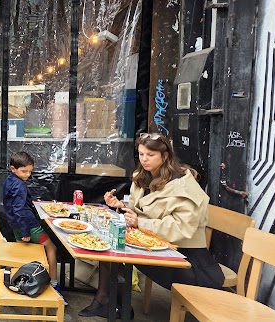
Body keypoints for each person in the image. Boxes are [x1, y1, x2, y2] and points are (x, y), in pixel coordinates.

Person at [79, 132, 224, 318]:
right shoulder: (143, 177)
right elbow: (141, 208)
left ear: (165, 156)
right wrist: (121, 205)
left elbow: (180, 228)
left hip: (184, 257)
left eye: (150, 155)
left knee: (114, 250)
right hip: (153, 244)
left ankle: (113, 304)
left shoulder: (184, 185)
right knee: (109, 245)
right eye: (141, 154)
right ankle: (111, 303)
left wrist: (140, 222)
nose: (144, 159)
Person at [2, 151, 66, 305]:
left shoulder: (9, 180)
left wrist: (30, 202)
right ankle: (54, 286)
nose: (28, 175)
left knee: (27, 252)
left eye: (30, 171)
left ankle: (27, 281)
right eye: (24, 171)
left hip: (16, 224)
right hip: (29, 226)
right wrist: (26, 232)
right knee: (51, 248)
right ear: (13, 168)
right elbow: (19, 209)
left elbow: (14, 204)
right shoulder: (20, 186)